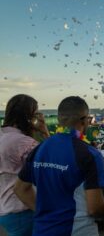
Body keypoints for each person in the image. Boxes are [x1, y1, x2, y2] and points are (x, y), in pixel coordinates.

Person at [14, 96, 104, 236]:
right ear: (84, 120)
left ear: (59, 120)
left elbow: (20, 189)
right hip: (77, 229)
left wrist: (45, 212)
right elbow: (95, 208)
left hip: (42, 229)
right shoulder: (90, 154)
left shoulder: (39, 149)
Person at [0, 94, 49, 236]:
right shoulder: (24, 142)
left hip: (5, 210)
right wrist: (44, 132)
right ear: (29, 117)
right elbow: (51, 164)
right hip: (24, 209)